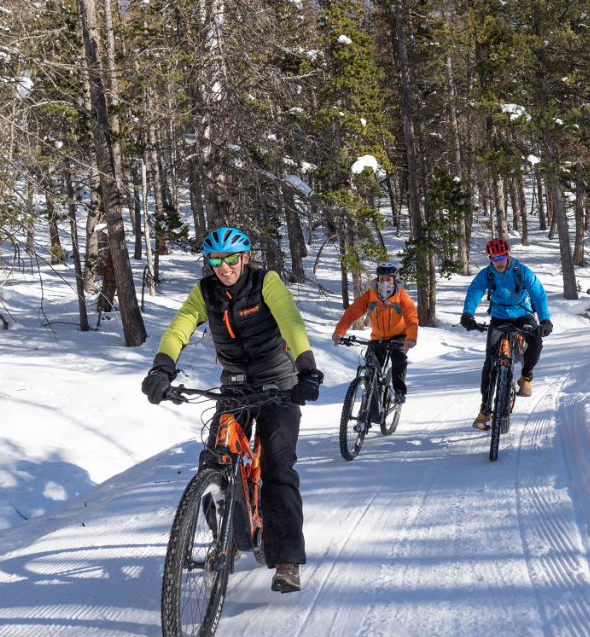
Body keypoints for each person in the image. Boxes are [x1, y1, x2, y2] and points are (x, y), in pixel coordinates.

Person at [140, 227, 323, 594]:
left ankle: (286, 560)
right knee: (213, 460)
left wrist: (306, 368)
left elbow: (290, 321)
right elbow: (179, 328)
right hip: (235, 386)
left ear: (245, 258)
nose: (223, 267)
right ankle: (224, 536)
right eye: (215, 260)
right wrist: (162, 368)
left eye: (230, 259)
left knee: (277, 468)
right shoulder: (205, 291)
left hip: (279, 384)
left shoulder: (266, 282)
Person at [459, 238, 553, 430]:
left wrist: (545, 320)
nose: (498, 261)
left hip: (523, 314)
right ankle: (485, 410)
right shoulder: (486, 275)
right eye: (494, 258)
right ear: (489, 259)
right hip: (499, 317)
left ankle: (525, 376)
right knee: (490, 361)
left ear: (508, 255)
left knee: (535, 340)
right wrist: (468, 314)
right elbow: (474, 292)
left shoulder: (522, 272)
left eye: (501, 257)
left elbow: (538, 295)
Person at [332, 263, 418, 411]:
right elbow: (352, 312)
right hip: (378, 337)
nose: (384, 283)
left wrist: (410, 338)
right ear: (377, 280)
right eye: (381, 279)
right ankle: (371, 396)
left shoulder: (401, 296)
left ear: (394, 280)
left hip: (399, 335)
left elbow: (411, 318)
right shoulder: (370, 295)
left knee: (398, 358)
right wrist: (339, 331)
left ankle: (399, 392)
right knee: (371, 364)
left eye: (388, 280)